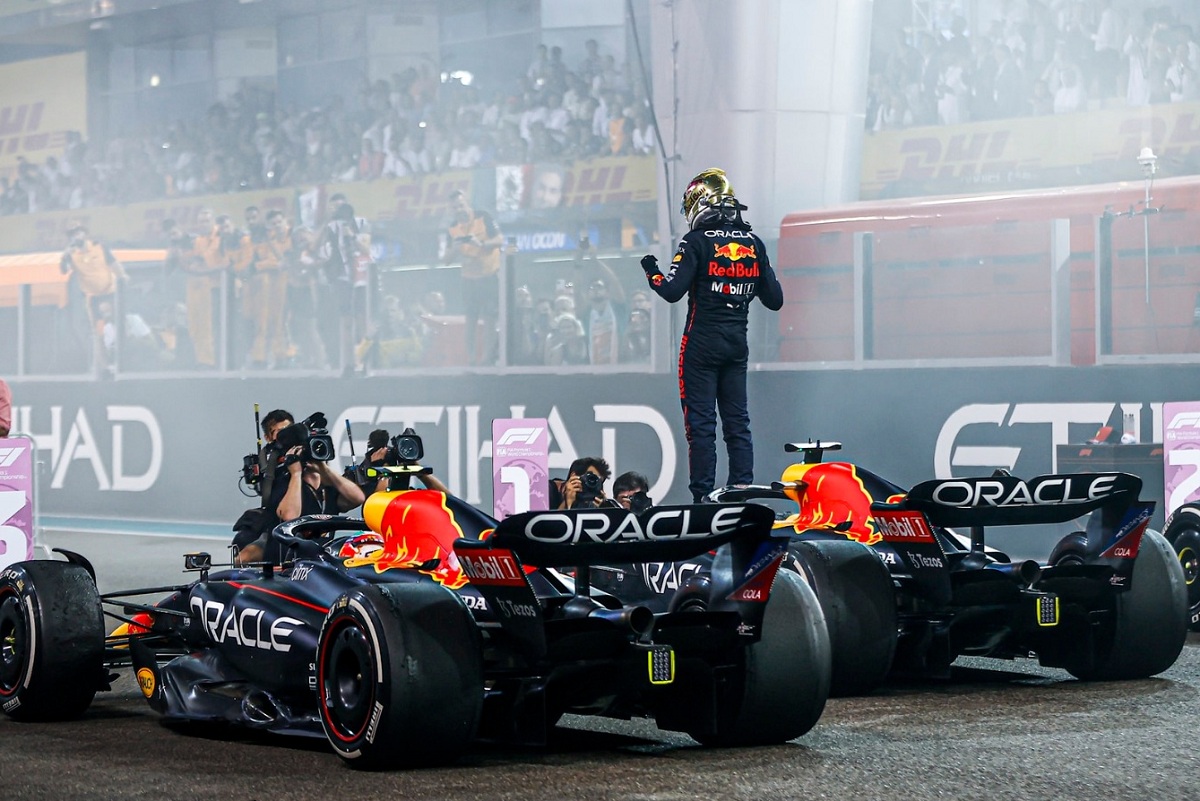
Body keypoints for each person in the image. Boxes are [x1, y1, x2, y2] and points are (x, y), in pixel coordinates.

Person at [639, 167, 783, 503]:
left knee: (701, 427)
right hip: (737, 345)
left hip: (701, 345)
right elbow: (775, 300)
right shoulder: (754, 243)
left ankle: (703, 499)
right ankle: (741, 492)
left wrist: (651, 271)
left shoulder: (696, 241)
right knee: (738, 423)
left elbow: (672, 291)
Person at [235, 438, 366, 565]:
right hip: (285, 564)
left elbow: (358, 498)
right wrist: (296, 474)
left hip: (318, 562)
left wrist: (324, 469)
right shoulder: (285, 485)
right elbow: (289, 515)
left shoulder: (330, 489)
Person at [60, 223, 128, 377]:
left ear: (85, 233)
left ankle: (123, 359)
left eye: (78, 233)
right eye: (72, 234)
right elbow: (63, 270)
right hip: (92, 298)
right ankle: (104, 367)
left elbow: (113, 263)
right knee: (98, 333)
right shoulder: (72, 255)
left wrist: (123, 277)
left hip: (110, 293)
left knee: (119, 326)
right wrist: (64, 257)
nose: (75, 237)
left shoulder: (99, 247)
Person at [444, 189, 504, 366]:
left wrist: (481, 244)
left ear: (467, 203)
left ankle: (487, 357)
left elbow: (500, 240)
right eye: (454, 208)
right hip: (469, 278)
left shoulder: (483, 216)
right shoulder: (452, 228)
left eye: (461, 205)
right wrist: (455, 249)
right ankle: (470, 357)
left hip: (489, 275)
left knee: (490, 317)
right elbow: (445, 260)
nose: (459, 210)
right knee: (470, 319)